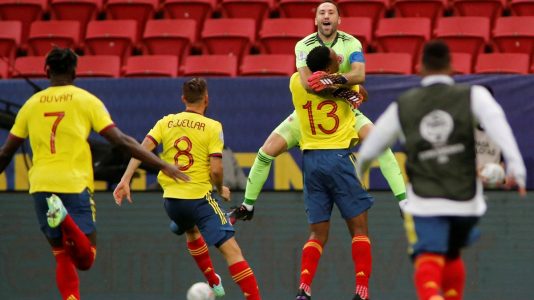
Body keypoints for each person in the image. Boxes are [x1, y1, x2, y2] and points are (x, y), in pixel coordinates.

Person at [0, 47, 188, 300]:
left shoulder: (30, 106)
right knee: (86, 258)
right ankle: (64, 217)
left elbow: (5, 153)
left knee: (61, 255)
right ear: (75, 72)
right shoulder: (85, 100)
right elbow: (120, 141)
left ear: (46, 71)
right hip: (74, 184)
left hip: (41, 186)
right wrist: (161, 164)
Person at [356, 40, 527, 300]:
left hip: (426, 200)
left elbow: (370, 150)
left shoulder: (403, 104)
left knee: (427, 256)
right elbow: (499, 126)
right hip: (467, 202)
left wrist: (360, 171)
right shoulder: (474, 95)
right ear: (452, 67)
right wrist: (517, 167)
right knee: (451, 253)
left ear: (419, 68)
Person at [233, 0, 406, 221]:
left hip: (344, 111)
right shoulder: (303, 46)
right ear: (316, 19)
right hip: (308, 112)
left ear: (338, 19)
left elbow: (359, 74)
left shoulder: (351, 43)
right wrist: (345, 89)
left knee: (380, 144)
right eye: (322, 12)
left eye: (331, 12)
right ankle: (248, 206)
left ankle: (403, 201)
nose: (326, 16)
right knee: (265, 152)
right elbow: (308, 85)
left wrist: (335, 82)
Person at [113, 78, 261, 300]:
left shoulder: (166, 122)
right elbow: (217, 169)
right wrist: (220, 188)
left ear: (183, 99)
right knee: (233, 252)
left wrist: (125, 179)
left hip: (172, 203)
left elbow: (141, 149)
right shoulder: (213, 126)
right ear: (207, 99)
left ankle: (212, 280)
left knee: (191, 231)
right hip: (199, 199)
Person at [290, 46, 373, 300]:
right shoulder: (348, 89)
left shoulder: (295, 82)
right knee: (359, 230)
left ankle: (304, 287)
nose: (339, 58)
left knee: (317, 233)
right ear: (327, 68)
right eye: (334, 58)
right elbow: (363, 96)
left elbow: (307, 83)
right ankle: (361, 290)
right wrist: (338, 83)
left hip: (311, 162)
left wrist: (325, 80)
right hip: (338, 158)